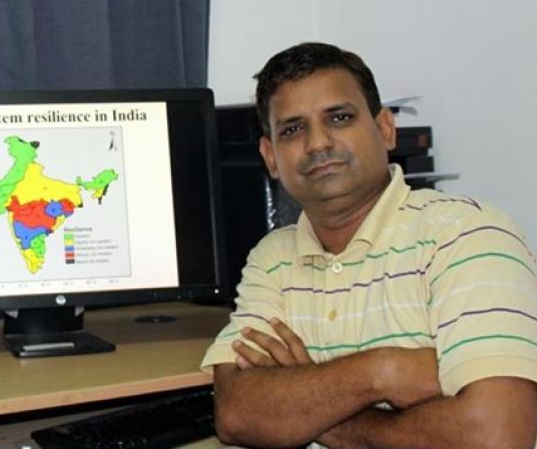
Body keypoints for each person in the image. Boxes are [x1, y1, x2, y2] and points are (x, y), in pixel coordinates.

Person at [201, 42, 537, 447]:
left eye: (339, 118)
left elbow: (497, 436)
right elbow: (237, 413)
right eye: (293, 129)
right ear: (270, 157)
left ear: (384, 129)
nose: (318, 143)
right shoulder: (272, 259)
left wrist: (316, 410)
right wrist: (383, 372)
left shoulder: (467, 235)